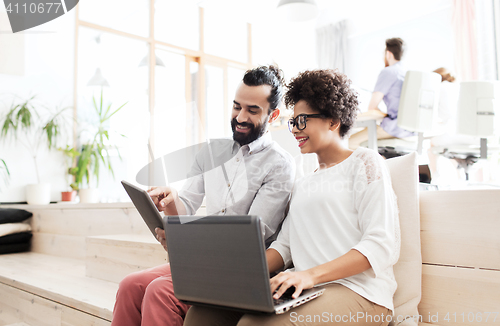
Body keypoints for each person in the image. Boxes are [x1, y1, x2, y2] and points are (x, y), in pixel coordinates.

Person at [184, 69, 401, 326]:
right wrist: (238, 274)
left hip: (360, 293)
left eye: (302, 121)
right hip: (307, 288)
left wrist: (309, 276)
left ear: (333, 121)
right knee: (202, 315)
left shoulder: (365, 163)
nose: (295, 130)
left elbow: (380, 244)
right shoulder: (305, 180)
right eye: (293, 122)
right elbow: (284, 246)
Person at [111, 65, 296, 326]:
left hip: (245, 269)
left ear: (273, 115)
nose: (240, 117)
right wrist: (172, 198)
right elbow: (186, 206)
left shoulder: (279, 164)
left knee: (160, 292)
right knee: (130, 285)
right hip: (205, 259)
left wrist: (187, 243)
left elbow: (250, 235)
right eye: (236, 106)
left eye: (252, 110)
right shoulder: (211, 152)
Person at [349, 37, 414, 149]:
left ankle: (379, 164)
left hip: (394, 128)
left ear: (388, 54)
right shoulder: (408, 73)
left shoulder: (389, 72)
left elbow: (372, 107)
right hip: (411, 130)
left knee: (349, 143)